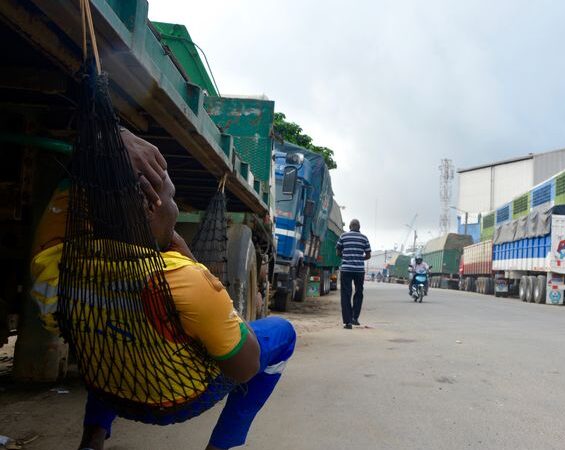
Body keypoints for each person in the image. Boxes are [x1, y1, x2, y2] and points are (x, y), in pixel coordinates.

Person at [29, 129, 296, 450]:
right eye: (172, 197)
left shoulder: (53, 262)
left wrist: (106, 140)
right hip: (179, 398)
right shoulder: (183, 280)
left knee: (105, 335)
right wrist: (199, 273)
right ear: (153, 206)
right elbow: (244, 367)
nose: (175, 206)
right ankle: (222, 445)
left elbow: (69, 193)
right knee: (282, 332)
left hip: (107, 384)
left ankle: (92, 438)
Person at [336, 219, 371, 329]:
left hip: (346, 269)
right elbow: (368, 255)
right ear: (359, 227)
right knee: (359, 293)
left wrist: (345, 257)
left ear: (350, 226)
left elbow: (338, 252)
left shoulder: (343, 236)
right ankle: (355, 318)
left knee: (346, 294)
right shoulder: (364, 238)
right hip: (359, 270)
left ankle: (348, 322)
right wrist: (360, 258)